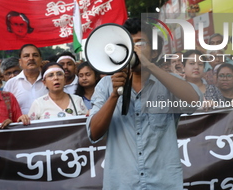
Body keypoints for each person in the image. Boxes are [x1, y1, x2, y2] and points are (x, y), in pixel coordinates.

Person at [86, 18, 202, 189]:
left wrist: (150, 66)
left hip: (163, 183)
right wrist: (114, 95)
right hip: (122, 183)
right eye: (129, 44)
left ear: (154, 52)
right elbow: (93, 134)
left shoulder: (169, 83)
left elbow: (194, 101)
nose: (134, 49)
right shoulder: (106, 85)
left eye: (140, 43)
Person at [3, 44, 48, 114]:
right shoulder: (11, 84)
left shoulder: (49, 80)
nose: (31, 58)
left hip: (47, 124)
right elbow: (5, 109)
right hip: (20, 124)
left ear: (41, 60)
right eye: (26, 56)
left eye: (35, 55)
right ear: (20, 62)